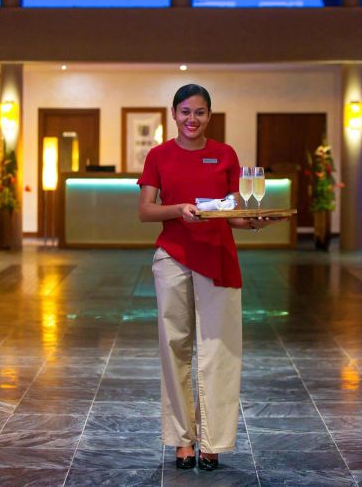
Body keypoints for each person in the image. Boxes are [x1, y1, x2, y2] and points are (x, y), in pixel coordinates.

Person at [138, 84, 282, 471]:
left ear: (209, 116)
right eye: (185, 111)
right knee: (174, 347)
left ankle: (213, 440)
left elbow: (232, 215)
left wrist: (255, 222)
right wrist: (178, 209)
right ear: (174, 113)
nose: (192, 119)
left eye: (199, 112)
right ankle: (182, 440)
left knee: (220, 349)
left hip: (218, 257)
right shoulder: (158, 155)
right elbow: (146, 210)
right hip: (173, 256)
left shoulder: (225, 154)